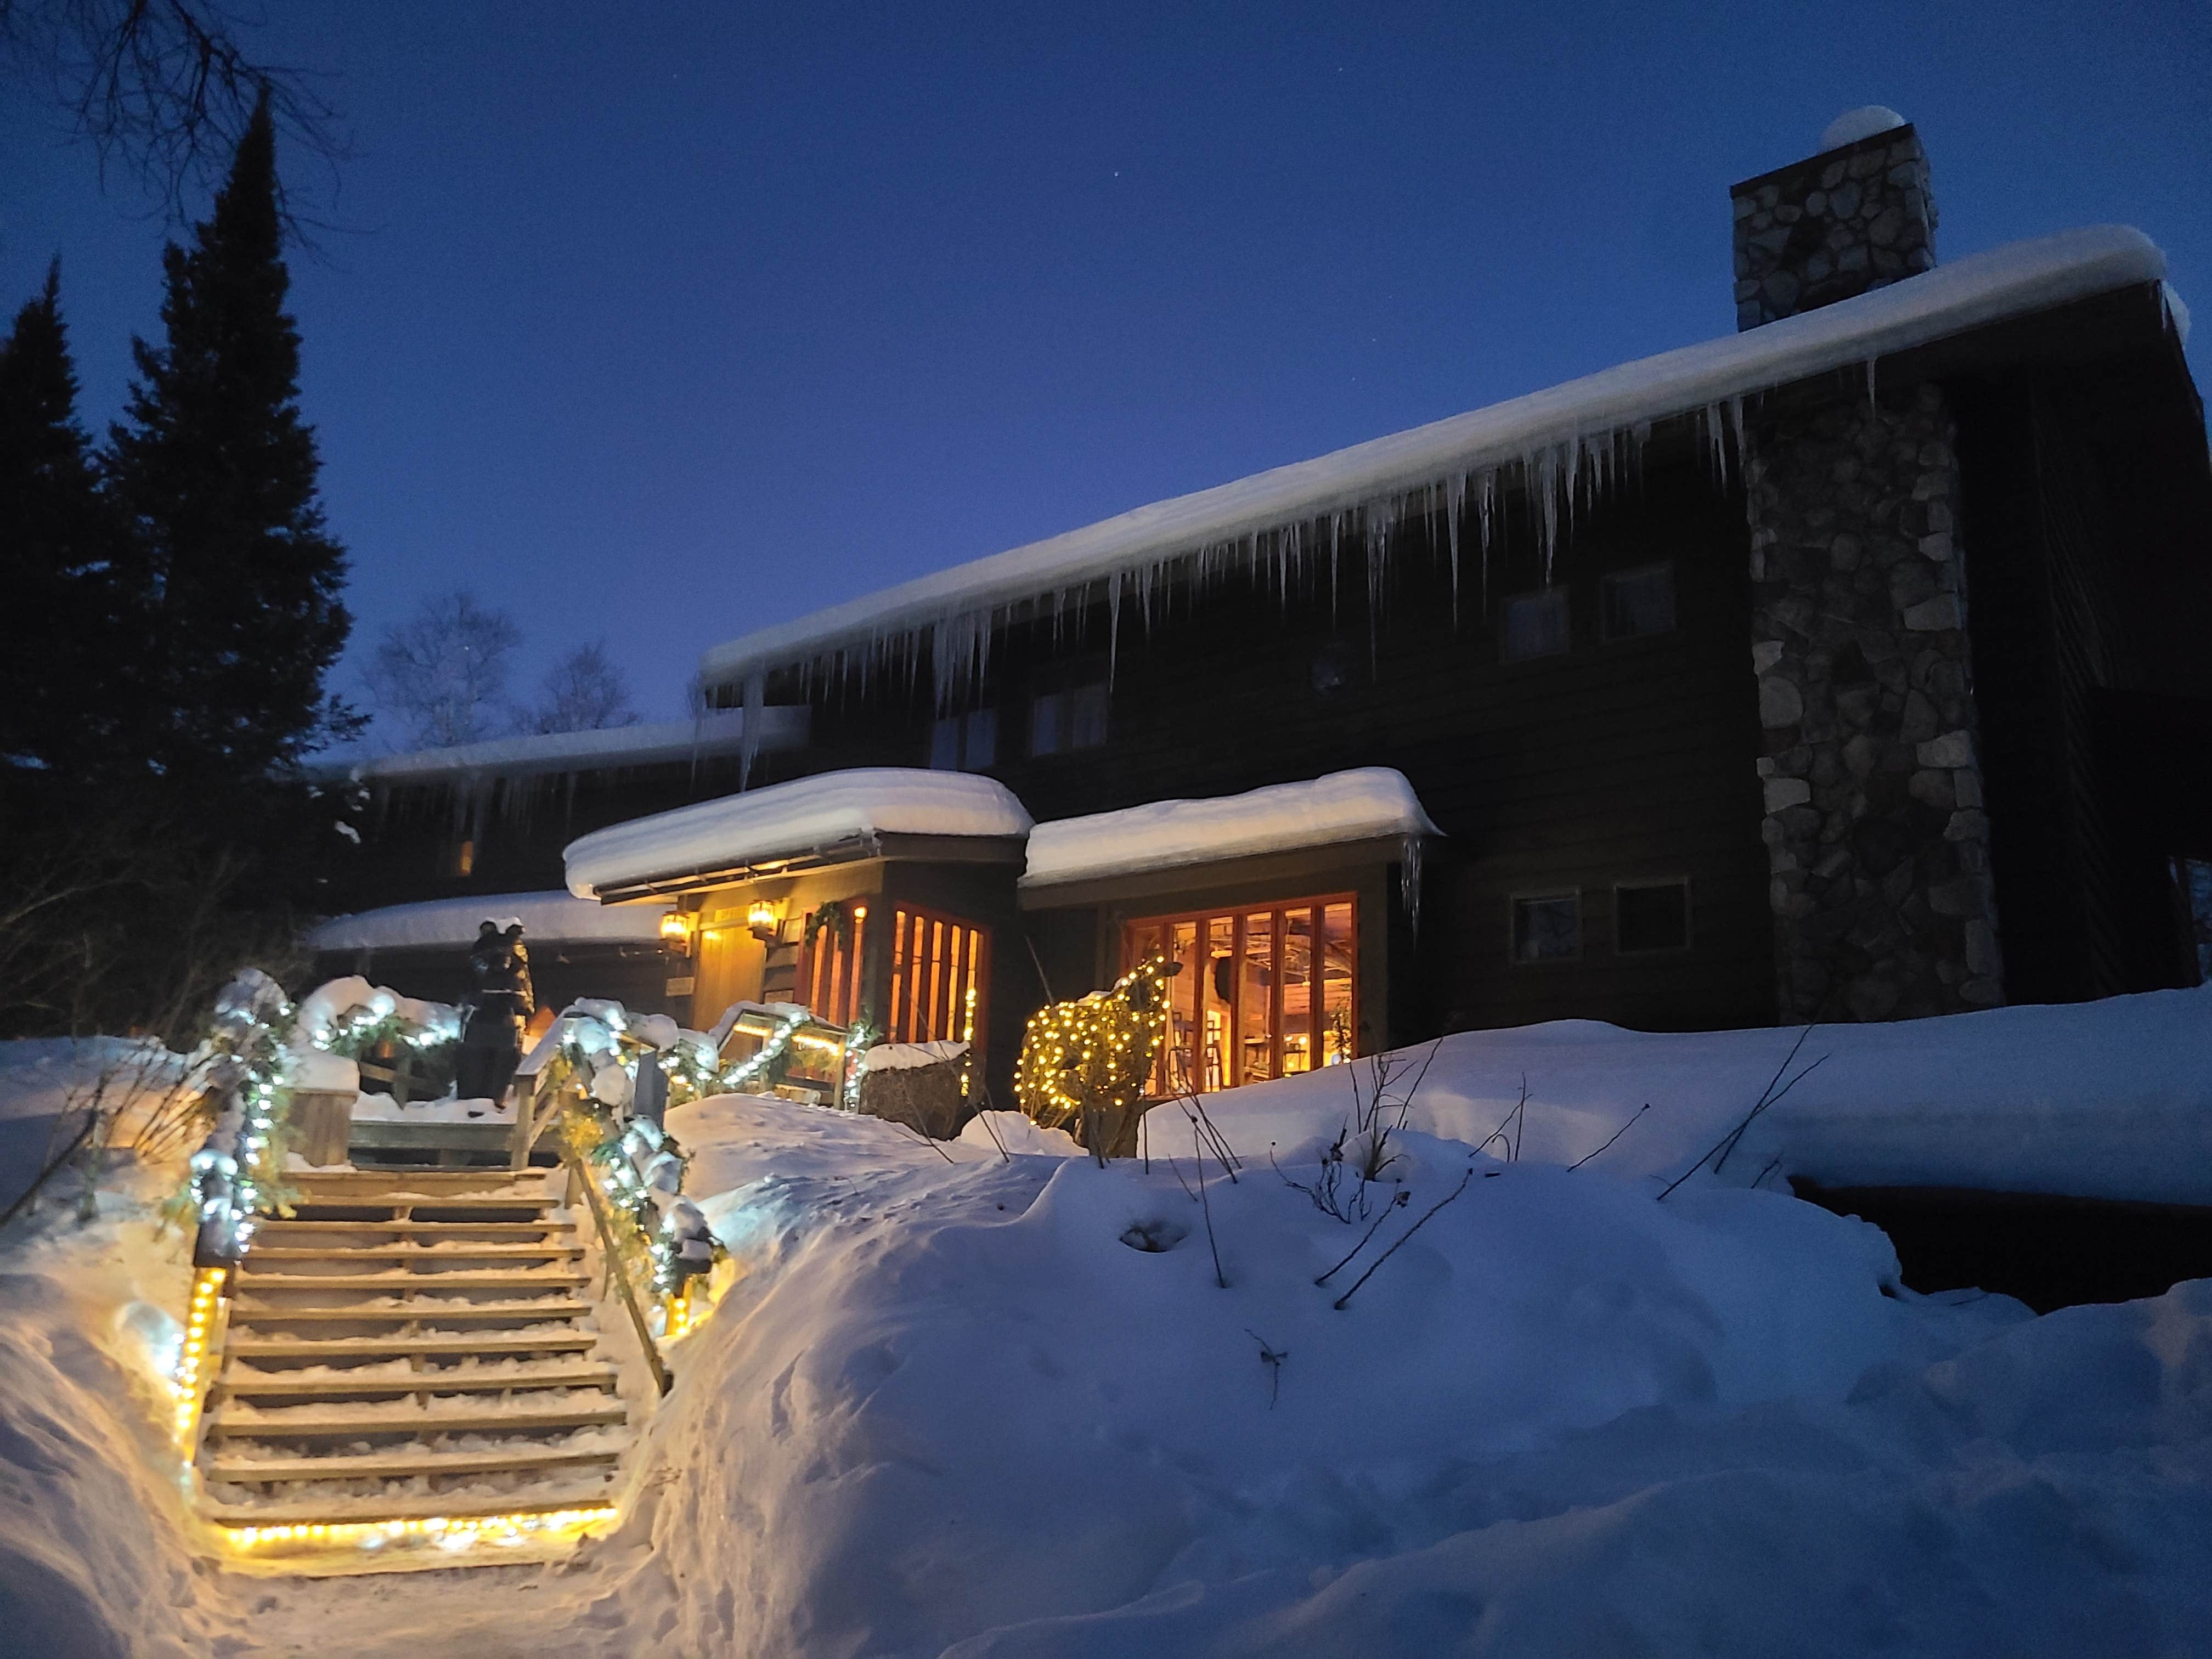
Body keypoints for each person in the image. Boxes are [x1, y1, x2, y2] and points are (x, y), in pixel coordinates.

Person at [455, 921, 535, 1102]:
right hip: (489, 1025)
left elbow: (523, 997)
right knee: (482, 1069)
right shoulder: (503, 964)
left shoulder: (510, 966)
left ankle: (489, 1101)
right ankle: (484, 1102)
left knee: (491, 1070)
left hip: (498, 1026)